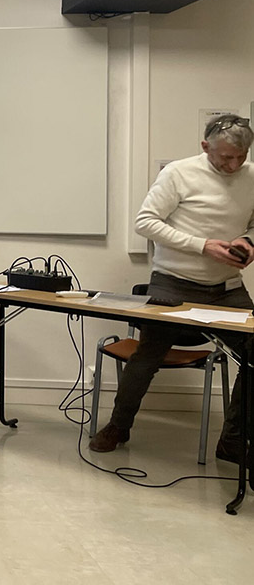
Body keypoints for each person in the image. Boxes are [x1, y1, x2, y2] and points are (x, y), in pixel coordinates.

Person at [90, 115, 254, 460]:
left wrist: (248, 241)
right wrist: (202, 245)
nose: (234, 165)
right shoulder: (179, 173)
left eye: (241, 157)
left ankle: (234, 440)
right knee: (147, 355)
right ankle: (118, 426)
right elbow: (145, 222)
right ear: (205, 147)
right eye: (226, 157)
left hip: (227, 287)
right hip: (173, 282)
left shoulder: (251, 176)